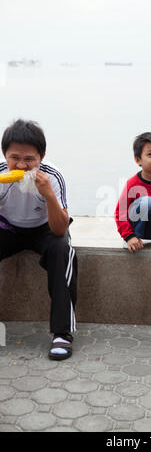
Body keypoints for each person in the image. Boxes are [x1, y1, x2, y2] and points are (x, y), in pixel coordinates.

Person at [0, 119, 77, 361]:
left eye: (29, 159)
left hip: (46, 229)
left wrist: (49, 196)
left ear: (41, 156)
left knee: (62, 250)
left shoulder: (52, 176)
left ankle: (62, 333)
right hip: (9, 227)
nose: (21, 166)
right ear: (5, 154)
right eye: (15, 158)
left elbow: (58, 228)